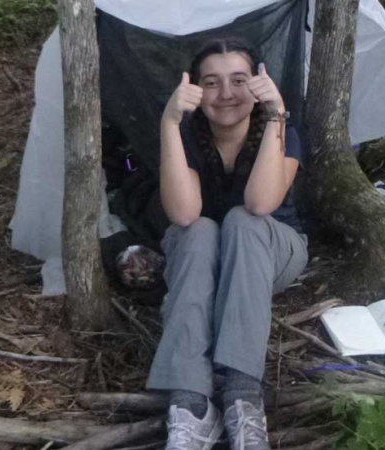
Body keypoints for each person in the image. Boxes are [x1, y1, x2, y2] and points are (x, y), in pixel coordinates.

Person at [147, 38, 309, 450]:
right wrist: (169, 124)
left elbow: (261, 204)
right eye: (211, 83)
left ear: (257, 84)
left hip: (271, 250)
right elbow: (183, 214)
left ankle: (242, 397)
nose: (226, 94)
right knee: (198, 230)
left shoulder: (283, 129)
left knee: (242, 220)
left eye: (239, 80)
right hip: (201, 260)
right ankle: (190, 407)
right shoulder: (187, 134)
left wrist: (275, 114)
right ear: (195, 90)